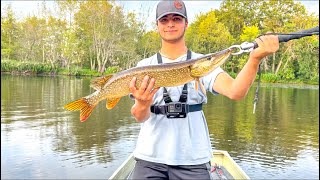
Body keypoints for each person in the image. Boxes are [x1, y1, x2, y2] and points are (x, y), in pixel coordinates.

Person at [128, 0, 279, 179]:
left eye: (176, 18)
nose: (170, 24)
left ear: (186, 23)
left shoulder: (202, 63)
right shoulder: (144, 66)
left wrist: (254, 59)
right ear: (157, 25)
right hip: (149, 159)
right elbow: (139, 116)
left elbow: (235, 91)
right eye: (164, 20)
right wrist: (143, 104)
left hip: (193, 160)